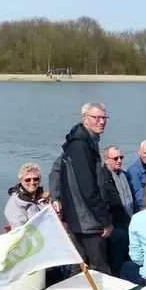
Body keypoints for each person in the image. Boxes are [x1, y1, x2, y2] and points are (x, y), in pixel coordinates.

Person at [59, 102, 113, 276]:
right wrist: (105, 221)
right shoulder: (81, 146)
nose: (101, 121)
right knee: (100, 271)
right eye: (96, 117)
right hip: (87, 220)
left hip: (78, 217)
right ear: (85, 119)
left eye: (104, 117)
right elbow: (88, 188)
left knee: (79, 267)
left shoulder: (82, 141)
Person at [102, 145, 137, 273]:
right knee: (118, 253)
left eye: (121, 157)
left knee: (131, 253)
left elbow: (132, 198)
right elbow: (107, 203)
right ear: (106, 160)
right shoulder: (102, 177)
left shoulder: (125, 176)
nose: (119, 161)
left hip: (128, 219)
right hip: (114, 223)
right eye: (115, 158)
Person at [4, 163, 49, 229]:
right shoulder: (15, 201)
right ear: (21, 181)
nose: (32, 182)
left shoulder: (44, 197)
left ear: (40, 180)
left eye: (36, 179)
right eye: (28, 180)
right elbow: (20, 229)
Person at [126, 140, 146, 209]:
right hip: (142, 208)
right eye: (145, 153)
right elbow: (139, 198)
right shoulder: (133, 171)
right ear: (140, 152)